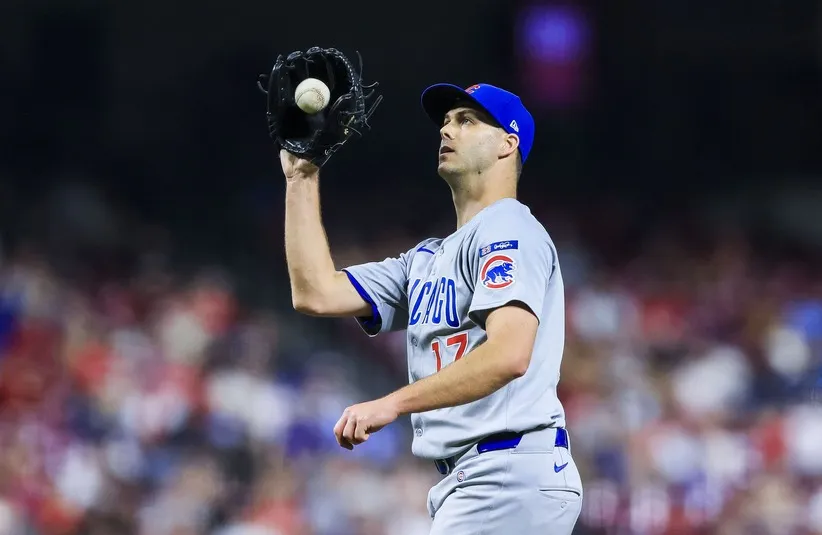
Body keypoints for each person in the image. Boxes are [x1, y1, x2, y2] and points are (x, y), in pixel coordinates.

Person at [279, 82, 582, 534]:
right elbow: (315, 293)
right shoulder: (428, 258)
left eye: (466, 120)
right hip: (479, 481)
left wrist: (392, 404)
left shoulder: (509, 227)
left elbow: (508, 354)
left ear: (507, 143)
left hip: (508, 473)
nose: (447, 129)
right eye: (445, 121)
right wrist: (301, 175)